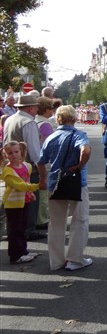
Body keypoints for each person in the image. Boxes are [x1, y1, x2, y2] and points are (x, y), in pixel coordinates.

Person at [40, 105, 92, 271]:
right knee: (80, 220)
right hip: (76, 182)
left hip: (55, 182)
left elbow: (41, 161)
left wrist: (43, 178)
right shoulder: (78, 135)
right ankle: (75, 259)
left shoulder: (51, 137)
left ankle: (56, 261)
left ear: (58, 119)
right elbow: (86, 150)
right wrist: (79, 165)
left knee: (56, 222)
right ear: (75, 118)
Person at [3, 93, 48, 242]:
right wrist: (42, 171)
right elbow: (34, 152)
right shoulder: (28, 122)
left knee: (15, 198)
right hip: (25, 166)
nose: (36, 110)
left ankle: (17, 230)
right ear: (30, 108)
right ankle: (28, 230)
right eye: (35, 107)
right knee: (29, 199)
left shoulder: (10, 119)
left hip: (12, 164)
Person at [2, 141, 41, 264]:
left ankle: (23, 251)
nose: (14, 155)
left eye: (16, 152)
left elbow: (26, 180)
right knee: (15, 230)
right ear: (5, 155)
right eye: (10, 153)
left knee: (23, 228)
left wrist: (30, 193)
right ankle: (15, 255)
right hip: (13, 204)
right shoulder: (8, 171)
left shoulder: (26, 166)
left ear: (21, 151)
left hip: (24, 201)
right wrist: (36, 187)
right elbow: (20, 185)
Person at [34, 96, 56, 230]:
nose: (52, 111)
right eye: (51, 109)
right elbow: (49, 145)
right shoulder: (45, 124)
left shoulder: (35, 121)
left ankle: (38, 218)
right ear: (46, 109)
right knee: (44, 191)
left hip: (37, 159)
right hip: (44, 160)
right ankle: (42, 219)